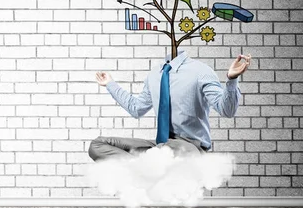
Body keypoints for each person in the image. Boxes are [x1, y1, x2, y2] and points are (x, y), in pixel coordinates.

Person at [89, 51, 251, 161]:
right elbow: (136, 108)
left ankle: (150, 166)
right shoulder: (155, 74)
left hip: (190, 147)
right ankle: (142, 167)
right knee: (97, 146)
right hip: (161, 146)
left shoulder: (200, 71)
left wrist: (232, 80)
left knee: (181, 156)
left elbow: (227, 110)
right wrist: (110, 84)